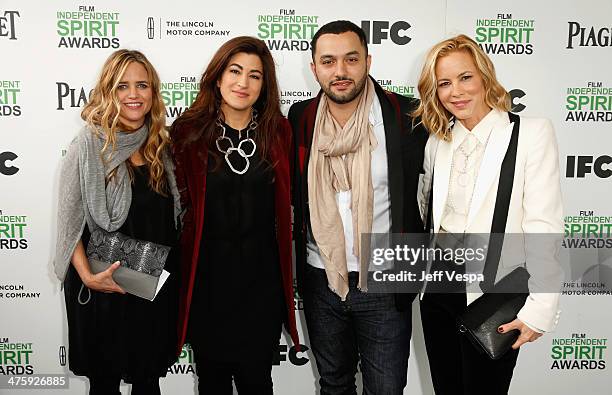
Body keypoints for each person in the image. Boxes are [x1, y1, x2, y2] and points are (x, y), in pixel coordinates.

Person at [414, 34, 563, 394]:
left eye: (465, 77)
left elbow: (544, 224)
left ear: (484, 76)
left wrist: (541, 308)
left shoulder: (529, 133)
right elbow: (427, 210)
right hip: (438, 288)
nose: (456, 92)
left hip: (495, 291)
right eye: (444, 83)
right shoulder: (438, 140)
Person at [288, 21, 428, 394]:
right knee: (334, 384)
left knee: (385, 388)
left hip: (385, 276)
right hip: (321, 279)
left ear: (367, 61)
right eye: (329, 61)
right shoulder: (299, 118)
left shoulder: (407, 115)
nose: (340, 71)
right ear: (314, 67)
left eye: (351, 59)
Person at [171, 36, 299, 394]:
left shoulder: (279, 132)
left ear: (265, 84)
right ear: (218, 76)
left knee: (257, 381)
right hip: (207, 286)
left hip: (262, 286)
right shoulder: (188, 133)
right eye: (235, 71)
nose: (243, 83)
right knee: (211, 382)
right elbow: (171, 210)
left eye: (254, 76)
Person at [54, 49, 181, 395]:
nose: (133, 95)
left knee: (148, 380)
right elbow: (69, 227)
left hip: (151, 283)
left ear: (153, 92)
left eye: (142, 85)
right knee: (105, 384)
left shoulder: (161, 147)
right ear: (108, 92)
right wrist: (88, 277)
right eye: (122, 86)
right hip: (102, 287)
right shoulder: (88, 147)